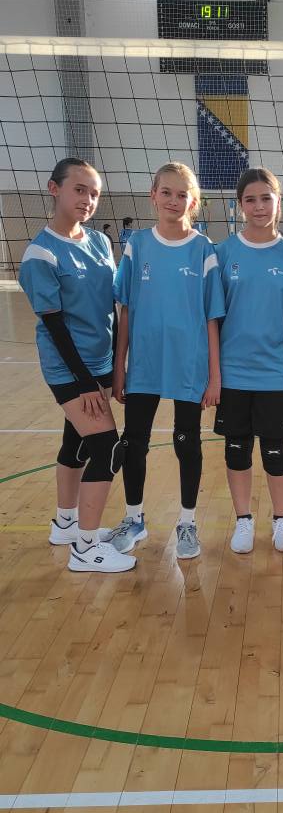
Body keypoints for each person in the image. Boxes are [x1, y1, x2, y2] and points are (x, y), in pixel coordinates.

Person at [19, 157, 135, 573]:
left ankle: (66, 525)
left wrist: (118, 365)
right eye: (79, 189)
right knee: (107, 448)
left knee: (78, 443)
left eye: (94, 193)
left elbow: (112, 308)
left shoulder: (99, 242)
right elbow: (54, 326)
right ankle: (86, 549)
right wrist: (85, 382)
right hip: (70, 369)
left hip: (100, 362)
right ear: (55, 189)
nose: (88, 199)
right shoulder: (41, 254)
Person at [108, 161, 224, 559]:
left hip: (188, 364)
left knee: (186, 441)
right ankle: (134, 518)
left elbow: (212, 317)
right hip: (145, 365)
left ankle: (187, 523)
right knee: (133, 440)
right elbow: (126, 311)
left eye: (182, 194)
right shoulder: (137, 245)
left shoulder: (203, 249)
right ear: (153, 196)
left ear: (193, 202)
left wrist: (215, 377)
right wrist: (119, 367)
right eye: (167, 192)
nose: (174, 200)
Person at [214, 167, 283, 555]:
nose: (258, 206)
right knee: (236, 449)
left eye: (265, 198)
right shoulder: (223, 254)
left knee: (275, 451)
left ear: (278, 202)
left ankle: (281, 520)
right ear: (240, 205)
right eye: (250, 200)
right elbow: (213, 319)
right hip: (233, 373)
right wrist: (213, 374)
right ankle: (243, 520)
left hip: (276, 374)